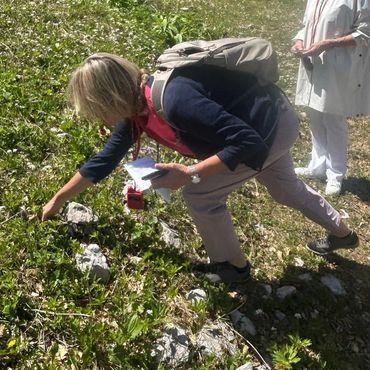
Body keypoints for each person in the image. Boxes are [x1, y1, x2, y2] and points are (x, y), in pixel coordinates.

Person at [42, 52, 359, 284]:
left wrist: (190, 173)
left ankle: (233, 267)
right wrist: (57, 200)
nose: (100, 119)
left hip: (267, 132)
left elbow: (247, 144)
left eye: (97, 110)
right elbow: (103, 161)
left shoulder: (175, 100)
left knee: (200, 194)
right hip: (272, 120)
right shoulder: (136, 111)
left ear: (110, 99)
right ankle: (342, 233)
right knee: (285, 188)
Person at [291, 0, 370, 196]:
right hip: (313, 62)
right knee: (315, 114)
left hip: (339, 65)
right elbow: (307, 25)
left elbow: (365, 33)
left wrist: (330, 44)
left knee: (333, 117)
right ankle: (317, 166)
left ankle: (336, 174)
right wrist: (299, 41)